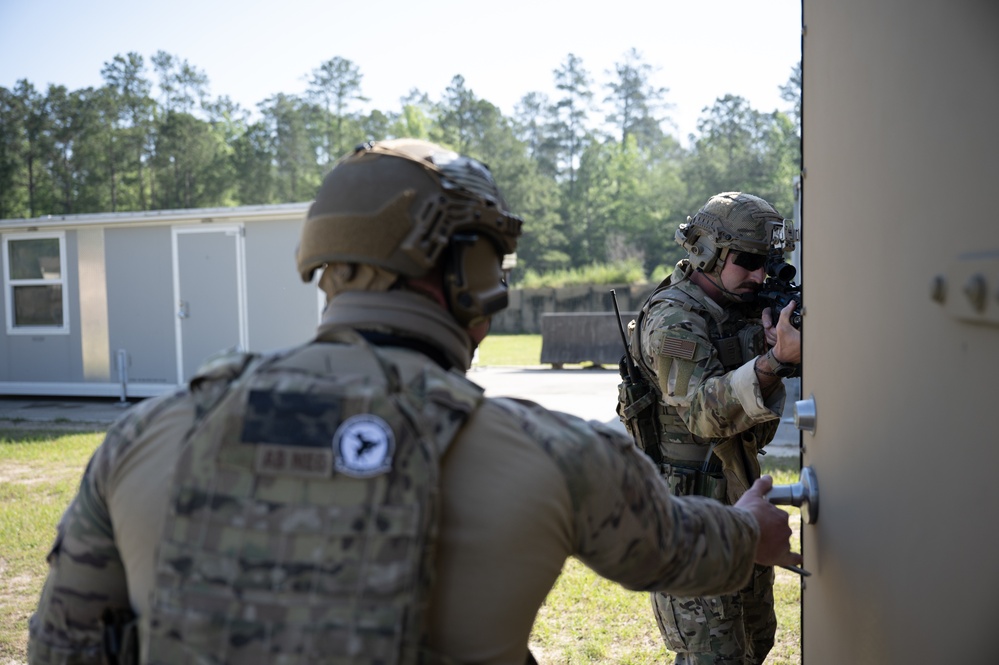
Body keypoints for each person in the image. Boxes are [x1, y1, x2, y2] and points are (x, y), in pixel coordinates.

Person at [28, 142, 800, 665]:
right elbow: (684, 549)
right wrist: (750, 531)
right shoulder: (550, 454)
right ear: (470, 272)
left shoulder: (146, 435)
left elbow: (63, 646)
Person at [617, 191, 802, 665]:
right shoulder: (673, 319)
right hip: (687, 516)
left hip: (737, 501)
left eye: (769, 263)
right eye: (748, 261)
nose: (761, 276)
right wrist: (774, 360)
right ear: (706, 252)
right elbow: (701, 414)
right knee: (713, 657)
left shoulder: (742, 307)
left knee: (755, 643)